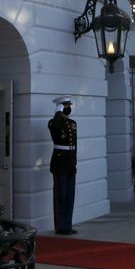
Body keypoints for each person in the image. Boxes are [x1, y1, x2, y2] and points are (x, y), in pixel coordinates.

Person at [48, 95, 78, 235]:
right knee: (61, 194)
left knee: (70, 195)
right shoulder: (53, 122)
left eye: (69, 106)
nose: (69, 108)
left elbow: (74, 145)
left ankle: (68, 225)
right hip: (60, 163)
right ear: (60, 107)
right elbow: (55, 126)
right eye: (66, 106)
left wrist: (74, 163)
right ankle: (60, 226)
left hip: (70, 163)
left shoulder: (73, 123)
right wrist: (57, 114)